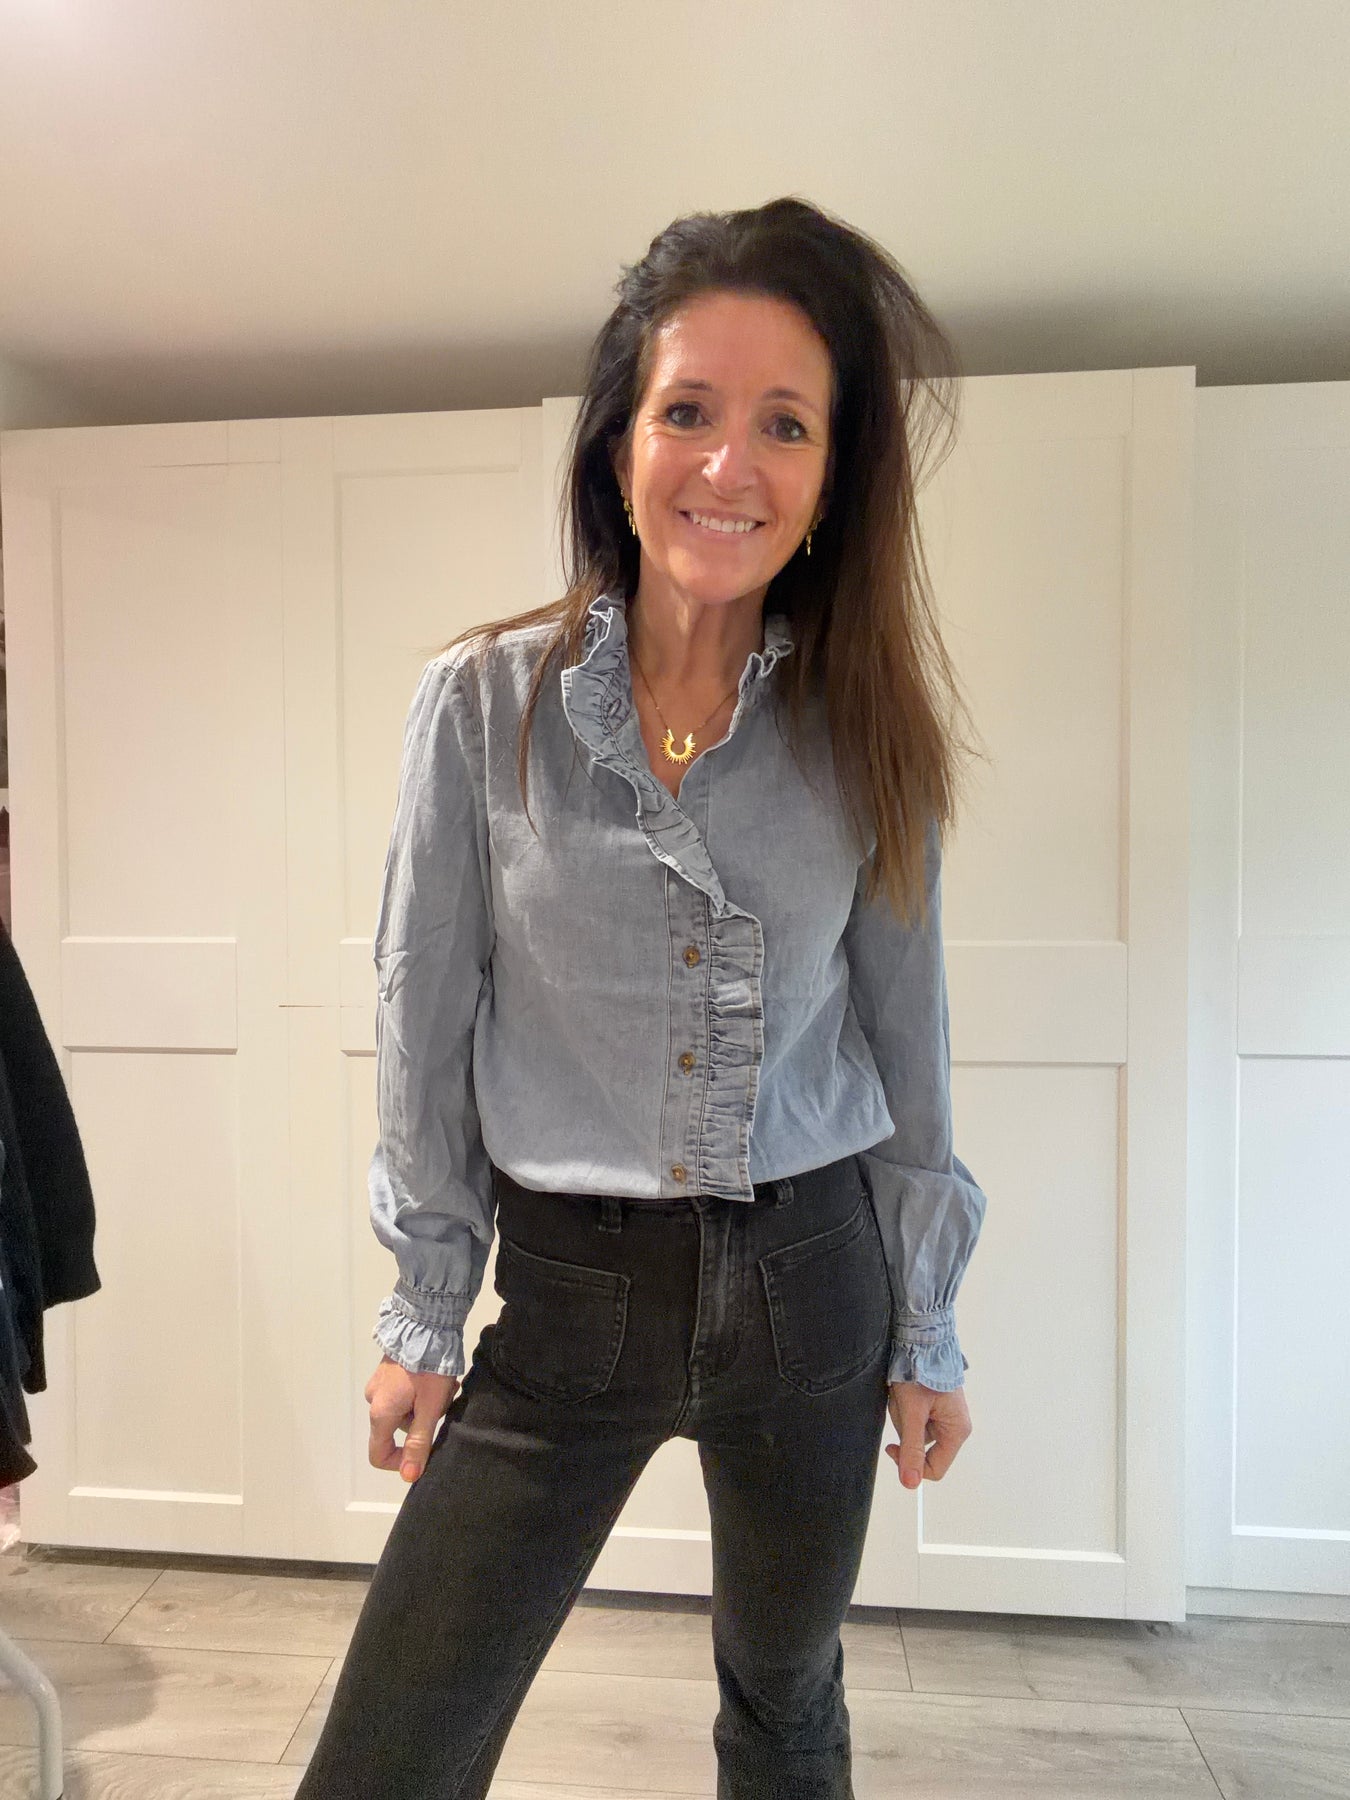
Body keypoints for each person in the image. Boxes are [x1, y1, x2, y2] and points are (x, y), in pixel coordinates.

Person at [295, 194, 990, 1800]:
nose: (728, 465)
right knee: (392, 1749)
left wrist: (930, 1329)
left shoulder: (867, 730)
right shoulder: (481, 707)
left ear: (830, 479)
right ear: (619, 443)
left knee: (785, 1701)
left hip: (814, 1292)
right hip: (568, 1300)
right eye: (687, 411)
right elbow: (424, 1016)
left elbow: (906, 1041)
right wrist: (424, 1308)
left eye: (785, 425)